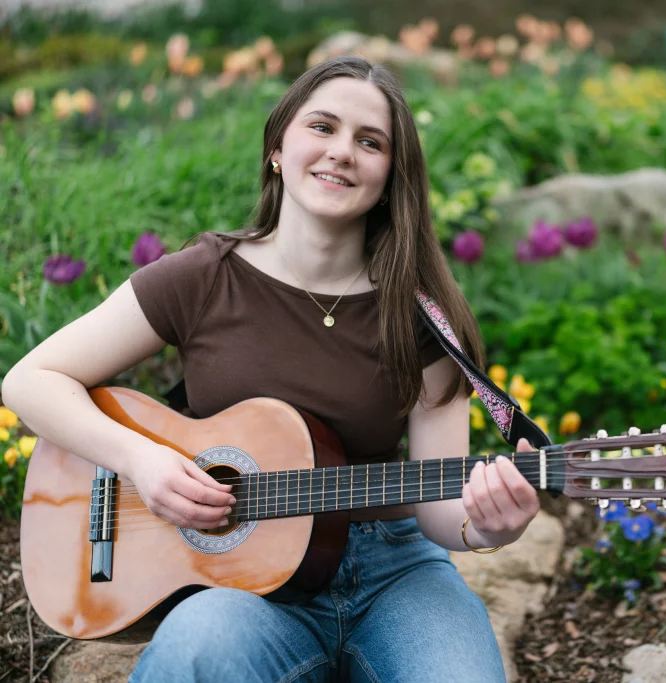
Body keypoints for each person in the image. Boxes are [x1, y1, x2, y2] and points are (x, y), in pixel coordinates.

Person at [2, 56, 542, 682]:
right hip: (240, 589)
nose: (342, 151)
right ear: (278, 147)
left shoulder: (422, 312)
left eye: (370, 142)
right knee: (196, 653)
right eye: (322, 127)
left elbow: (442, 510)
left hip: (394, 573)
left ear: (391, 176)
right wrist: (139, 460)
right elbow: (29, 380)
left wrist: (488, 526)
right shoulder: (203, 278)